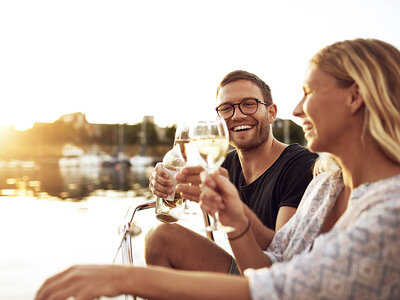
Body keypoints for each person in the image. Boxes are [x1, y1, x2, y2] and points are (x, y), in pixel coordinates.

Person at [35, 38, 400, 300]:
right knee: (160, 236)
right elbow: (276, 262)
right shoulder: (329, 181)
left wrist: (124, 278)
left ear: (355, 96)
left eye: (308, 92)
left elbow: (281, 288)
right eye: (226, 108)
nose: (299, 109)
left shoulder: (390, 214)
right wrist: (232, 216)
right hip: (264, 281)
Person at [146, 70, 317, 274]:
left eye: (249, 104)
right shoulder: (224, 164)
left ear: (271, 113)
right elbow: (182, 194)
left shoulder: (302, 165)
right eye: (226, 108)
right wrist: (166, 184)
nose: (237, 115)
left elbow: (284, 255)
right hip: (243, 272)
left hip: (275, 281)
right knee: (159, 237)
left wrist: (232, 208)